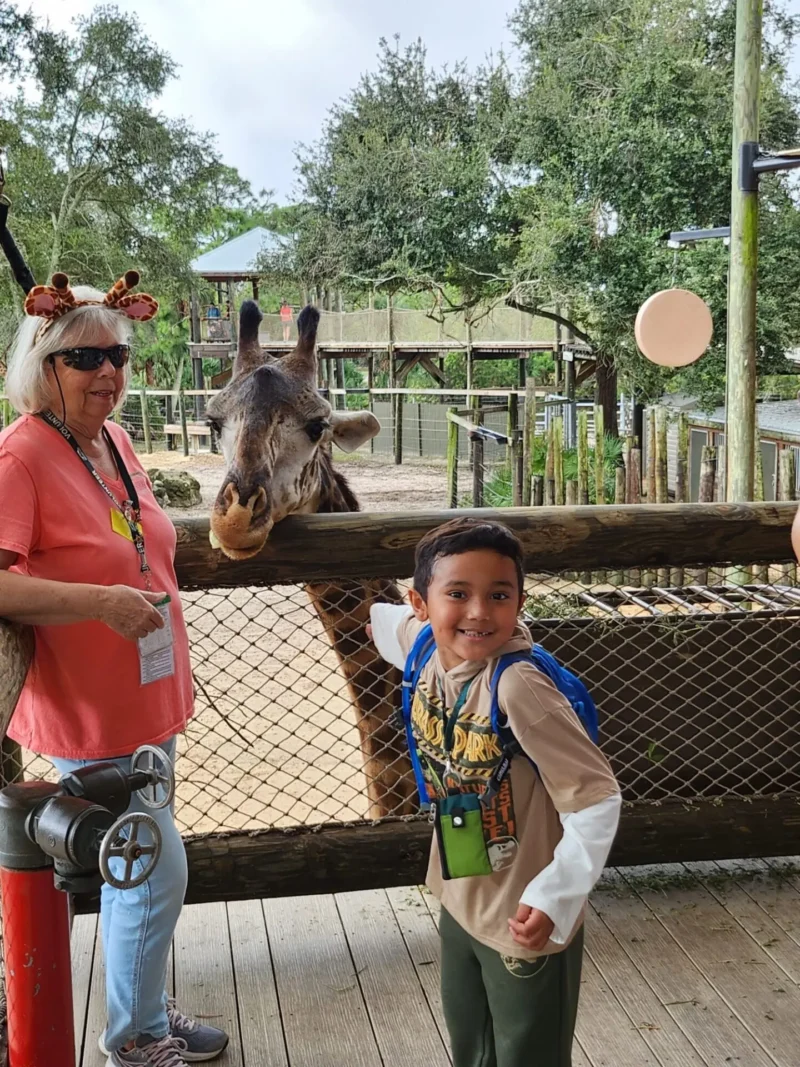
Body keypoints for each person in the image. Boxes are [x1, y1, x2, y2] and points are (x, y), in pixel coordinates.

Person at [0, 271, 229, 1067]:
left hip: (145, 697)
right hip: (90, 711)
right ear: (44, 366)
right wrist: (100, 602)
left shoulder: (113, 440)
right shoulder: (21, 455)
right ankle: (132, 1038)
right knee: (154, 871)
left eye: (118, 356)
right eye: (85, 357)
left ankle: (146, 1010)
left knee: (142, 868)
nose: (108, 372)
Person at [368, 517, 621, 1067]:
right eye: (458, 594)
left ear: (520, 603)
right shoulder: (422, 647)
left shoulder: (518, 687)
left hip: (521, 914)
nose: (479, 612)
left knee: (526, 1053)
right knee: (472, 1045)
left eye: (499, 595)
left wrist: (556, 896)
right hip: (460, 893)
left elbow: (597, 798)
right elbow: (379, 619)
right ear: (420, 603)